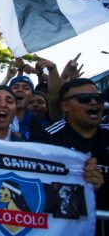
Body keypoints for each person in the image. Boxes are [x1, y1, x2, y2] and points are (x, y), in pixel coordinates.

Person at [32, 78, 107, 222]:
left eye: (98, 98)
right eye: (83, 99)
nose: (93, 102)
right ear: (65, 106)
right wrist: (79, 189)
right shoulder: (47, 141)